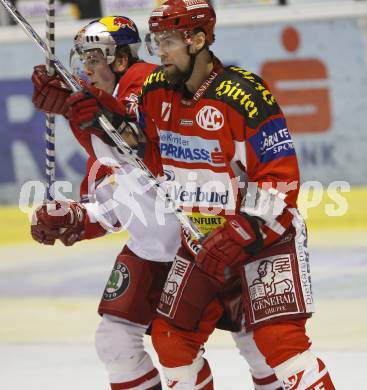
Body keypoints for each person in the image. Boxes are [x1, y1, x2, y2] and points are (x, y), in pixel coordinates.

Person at [137, 0, 335, 388]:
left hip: (265, 238)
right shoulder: (156, 90)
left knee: (280, 343)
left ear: (196, 40)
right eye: (155, 40)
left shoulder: (243, 95)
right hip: (202, 240)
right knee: (171, 340)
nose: (159, 51)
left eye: (168, 40)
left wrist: (243, 230)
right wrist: (97, 118)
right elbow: (147, 153)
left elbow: (280, 178)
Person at [30, 16, 181, 390]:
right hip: (152, 248)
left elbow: (141, 151)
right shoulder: (100, 105)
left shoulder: (146, 82)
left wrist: (80, 114)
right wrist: (74, 218)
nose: (87, 70)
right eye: (83, 60)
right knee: (115, 342)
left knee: (184, 348)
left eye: (95, 59)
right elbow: (124, 199)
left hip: (198, 244)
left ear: (120, 59)